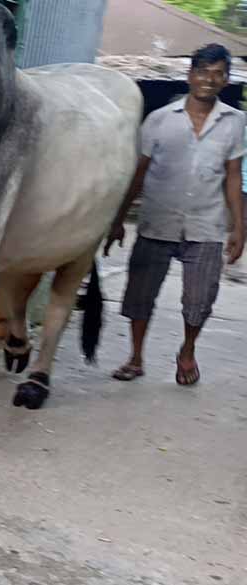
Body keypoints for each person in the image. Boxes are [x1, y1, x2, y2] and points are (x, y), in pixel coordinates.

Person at [106, 43, 246, 386]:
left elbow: (232, 175)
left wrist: (239, 227)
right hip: (158, 220)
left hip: (206, 224)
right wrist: (117, 220)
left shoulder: (235, 121)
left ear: (227, 79)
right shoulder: (159, 120)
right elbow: (139, 172)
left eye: (218, 74)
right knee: (140, 294)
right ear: (190, 75)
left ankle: (187, 351)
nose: (209, 80)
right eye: (203, 72)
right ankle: (136, 357)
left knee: (199, 301)